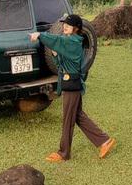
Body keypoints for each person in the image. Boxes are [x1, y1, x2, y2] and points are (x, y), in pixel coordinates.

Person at [29, 15, 116, 162]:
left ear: (76, 28)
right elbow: (60, 63)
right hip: (70, 83)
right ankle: (104, 141)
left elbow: (57, 40)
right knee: (77, 116)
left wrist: (40, 35)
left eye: (68, 25)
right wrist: (56, 55)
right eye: (64, 24)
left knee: (68, 118)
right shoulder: (70, 42)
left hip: (72, 85)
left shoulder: (73, 42)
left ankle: (64, 153)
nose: (64, 26)